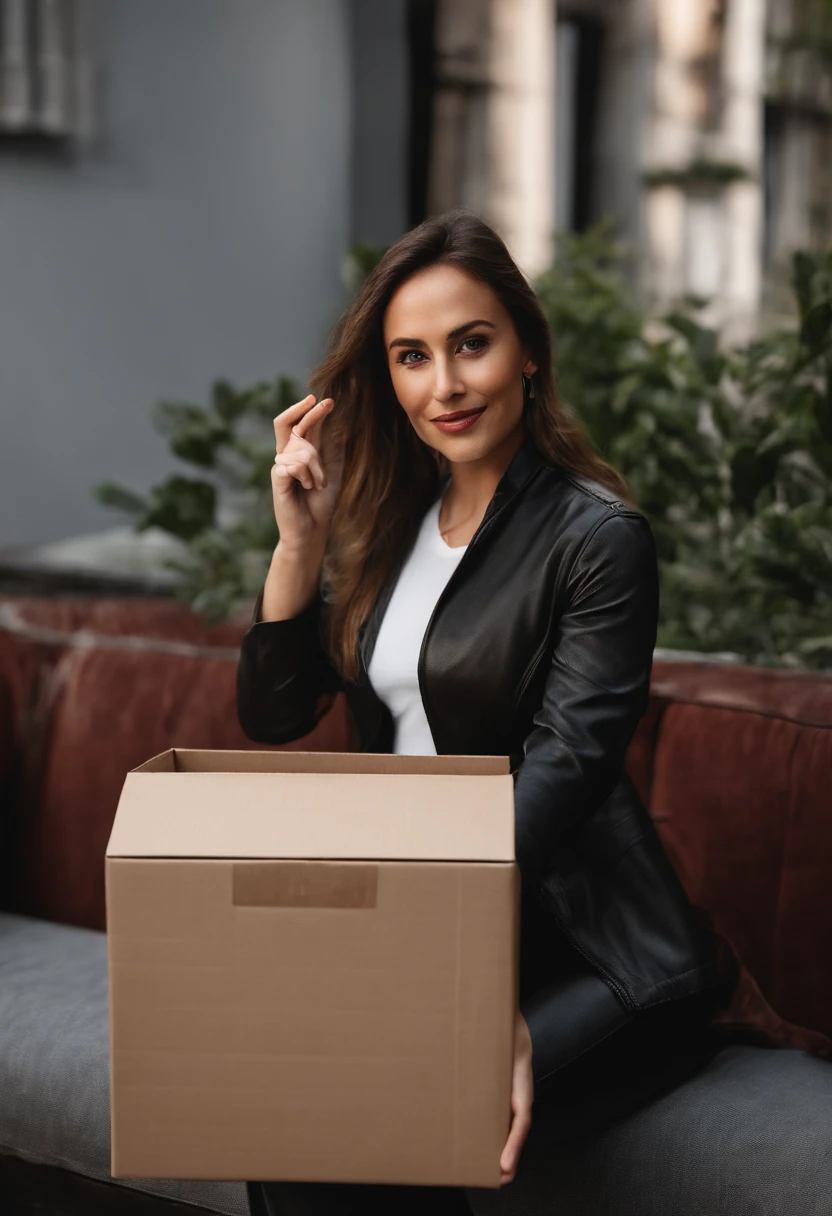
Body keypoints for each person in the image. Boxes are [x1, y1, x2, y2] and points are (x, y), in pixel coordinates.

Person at [236, 209, 730, 1216]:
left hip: (596, 954)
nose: (444, 385)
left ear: (529, 351)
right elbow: (273, 713)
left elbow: (567, 760)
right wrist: (299, 544)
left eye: (472, 344)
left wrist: (468, 968)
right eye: (411, 357)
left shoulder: (598, 537)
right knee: (284, 1120)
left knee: (383, 1128)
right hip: (424, 927)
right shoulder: (390, 526)